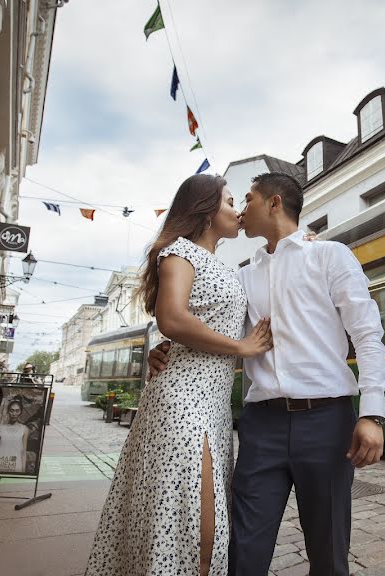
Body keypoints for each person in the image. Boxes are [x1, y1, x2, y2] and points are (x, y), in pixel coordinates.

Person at [149, 172, 385, 576]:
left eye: (248, 199)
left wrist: (372, 412)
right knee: (244, 550)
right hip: (262, 427)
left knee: (329, 551)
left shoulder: (330, 256)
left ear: (274, 203)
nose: (241, 210)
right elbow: (209, 325)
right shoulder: (240, 278)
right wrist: (168, 349)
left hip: (327, 421)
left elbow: (367, 335)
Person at [85, 174, 273, 576]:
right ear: (205, 211)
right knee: (196, 526)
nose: (237, 210)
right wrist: (241, 347)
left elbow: (193, 320)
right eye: (227, 202)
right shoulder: (179, 251)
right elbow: (172, 317)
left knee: (191, 523)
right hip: (182, 402)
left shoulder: (221, 265)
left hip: (214, 406)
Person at [0, 399, 29, 473]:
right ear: (8, 411)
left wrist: (23, 471)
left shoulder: (24, 429)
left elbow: (23, 452)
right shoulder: (0, 428)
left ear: (20, 412)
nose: (14, 414)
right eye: (12, 410)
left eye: (17, 411)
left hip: (16, 466)